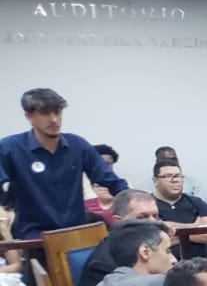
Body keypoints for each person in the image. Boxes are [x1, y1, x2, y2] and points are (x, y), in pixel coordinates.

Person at [0, 88, 127, 240]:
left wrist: (136, 205)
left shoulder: (78, 145)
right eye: (45, 113)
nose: (54, 119)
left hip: (75, 236)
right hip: (31, 239)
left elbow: (113, 183)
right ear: (29, 116)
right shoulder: (9, 148)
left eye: (57, 112)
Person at [78, 189, 162, 286]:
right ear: (118, 221)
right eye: (142, 217)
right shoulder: (102, 265)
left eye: (155, 216)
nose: (153, 223)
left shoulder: (154, 246)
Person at [151, 157, 207, 259]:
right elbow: (155, 238)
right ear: (155, 181)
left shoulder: (196, 202)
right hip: (165, 265)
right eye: (168, 176)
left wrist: (175, 233)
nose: (175, 180)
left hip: (205, 263)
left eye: (178, 176)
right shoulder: (148, 204)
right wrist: (196, 227)